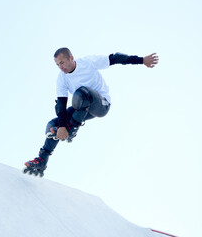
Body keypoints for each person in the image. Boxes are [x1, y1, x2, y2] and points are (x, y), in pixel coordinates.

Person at [24, 48, 159, 176]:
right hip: (82, 108)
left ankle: (72, 129)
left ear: (71, 58)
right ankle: (42, 161)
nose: (61, 67)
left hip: (101, 104)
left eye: (62, 62)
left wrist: (141, 60)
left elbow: (115, 58)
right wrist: (62, 126)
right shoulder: (62, 78)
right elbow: (61, 105)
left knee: (81, 93)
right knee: (54, 123)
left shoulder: (88, 62)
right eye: (57, 65)